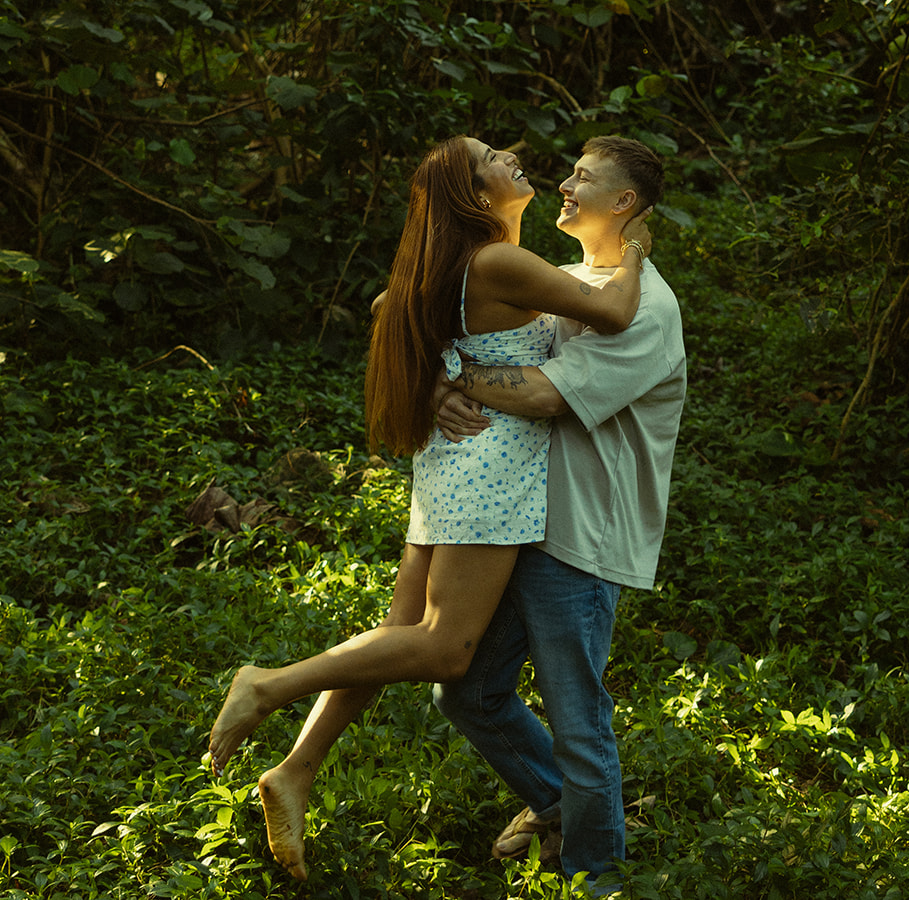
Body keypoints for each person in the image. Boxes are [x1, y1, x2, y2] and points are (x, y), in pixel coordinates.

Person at [207, 135, 654, 882]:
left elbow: (392, 305)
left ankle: (298, 769)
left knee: (398, 633)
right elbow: (609, 314)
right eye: (492, 157)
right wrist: (635, 253)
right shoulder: (498, 260)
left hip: (451, 462)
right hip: (492, 463)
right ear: (476, 197)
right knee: (447, 646)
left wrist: (446, 373)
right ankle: (269, 684)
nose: (512, 154)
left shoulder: (455, 263)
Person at [432, 135, 686, 895]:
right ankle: (559, 804)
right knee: (467, 692)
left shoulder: (648, 307)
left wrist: (456, 375)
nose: (564, 186)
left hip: (580, 534)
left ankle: (594, 873)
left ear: (625, 204)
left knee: (580, 718)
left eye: (584, 178)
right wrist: (427, 385)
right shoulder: (573, 279)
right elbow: (425, 310)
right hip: (518, 521)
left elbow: (542, 394)